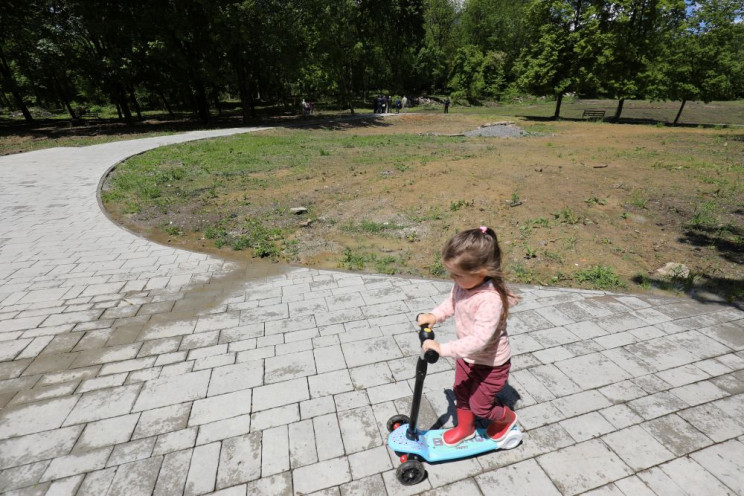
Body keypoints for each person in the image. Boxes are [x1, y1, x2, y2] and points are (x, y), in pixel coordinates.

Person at [417, 226, 518, 446]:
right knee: (461, 393)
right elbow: (451, 302)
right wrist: (434, 316)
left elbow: (479, 340)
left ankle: (506, 418)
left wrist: (442, 349)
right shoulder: (464, 284)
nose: (453, 279)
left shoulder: (490, 300)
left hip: (491, 364)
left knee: (480, 406)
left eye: (457, 275)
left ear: (481, 272)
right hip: (466, 357)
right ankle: (465, 429)